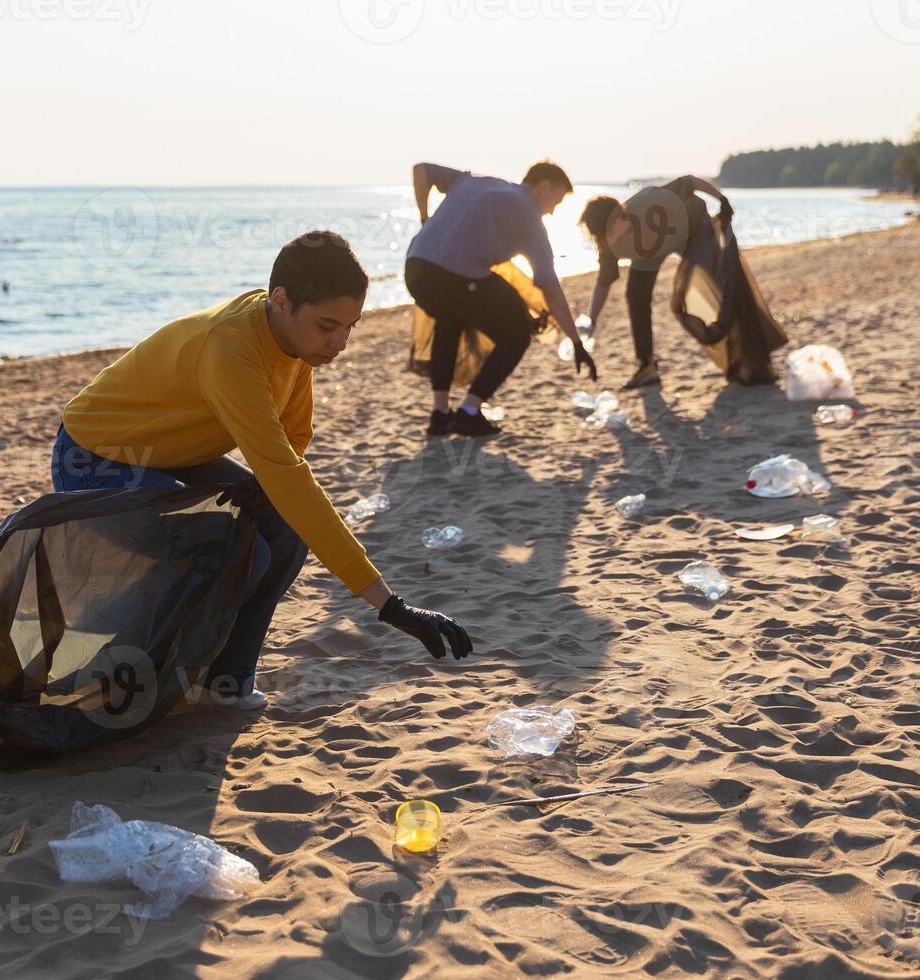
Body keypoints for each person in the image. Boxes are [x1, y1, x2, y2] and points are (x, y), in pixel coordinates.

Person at [52, 231, 473, 710]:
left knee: (284, 534)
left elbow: (294, 439)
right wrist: (391, 607)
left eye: (350, 326)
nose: (340, 343)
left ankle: (224, 681)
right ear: (281, 301)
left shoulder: (294, 341)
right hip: (94, 455)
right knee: (231, 549)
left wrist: (266, 489)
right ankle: (114, 669)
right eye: (328, 326)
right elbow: (290, 476)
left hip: (173, 449)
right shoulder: (232, 350)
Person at [405, 160, 597, 438]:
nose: (553, 211)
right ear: (544, 187)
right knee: (518, 333)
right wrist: (577, 343)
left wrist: (424, 219)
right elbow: (550, 289)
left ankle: (440, 414)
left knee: (451, 320)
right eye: (555, 201)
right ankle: (469, 412)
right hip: (454, 278)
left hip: (415, 270)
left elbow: (421, 170)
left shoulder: (474, 181)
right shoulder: (530, 217)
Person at [579, 175, 734, 389]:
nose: (600, 242)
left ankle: (740, 339)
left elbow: (690, 182)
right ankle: (647, 366)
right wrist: (592, 321)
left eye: (603, 235)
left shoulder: (650, 201)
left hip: (692, 228)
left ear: (616, 220)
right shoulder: (608, 246)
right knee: (635, 295)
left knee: (716, 282)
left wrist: (722, 199)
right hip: (649, 254)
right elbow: (604, 283)